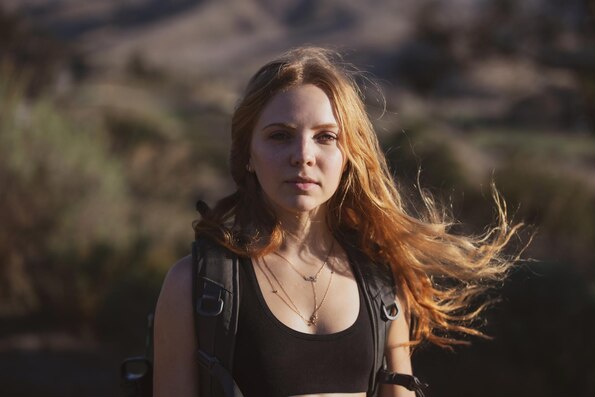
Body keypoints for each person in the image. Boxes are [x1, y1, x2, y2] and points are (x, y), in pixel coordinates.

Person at [153, 47, 521, 397]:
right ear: (248, 153)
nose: (303, 156)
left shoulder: (382, 283)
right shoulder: (199, 286)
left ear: (348, 155)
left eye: (326, 137)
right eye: (280, 136)